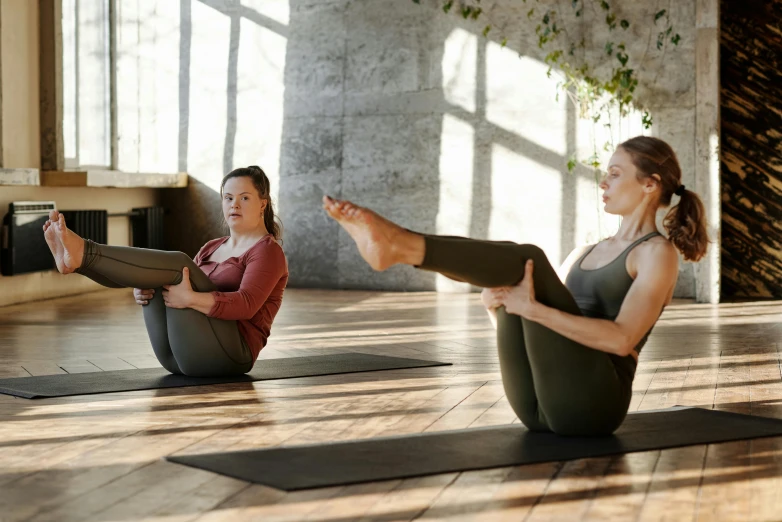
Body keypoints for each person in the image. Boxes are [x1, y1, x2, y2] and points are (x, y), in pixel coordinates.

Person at [322, 136, 708, 436]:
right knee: (517, 272)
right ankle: (400, 245)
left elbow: (622, 340)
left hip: (593, 407)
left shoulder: (655, 253)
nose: (604, 181)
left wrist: (532, 309)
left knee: (528, 259)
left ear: (650, 184)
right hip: (538, 405)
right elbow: (540, 329)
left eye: (616, 173)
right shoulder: (585, 251)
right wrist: (501, 311)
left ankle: (401, 245)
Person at [42, 166, 288, 377]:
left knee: (178, 267)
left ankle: (86, 252)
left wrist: (191, 298)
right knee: (162, 276)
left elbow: (246, 304)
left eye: (244, 198)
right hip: (177, 357)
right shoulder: (212, 247)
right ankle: (78, 264)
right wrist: (144, 286)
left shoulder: (267, 251)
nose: (234, 204)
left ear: (262, 204)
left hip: (231, 357)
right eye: (228, 197)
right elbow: (175, 288)